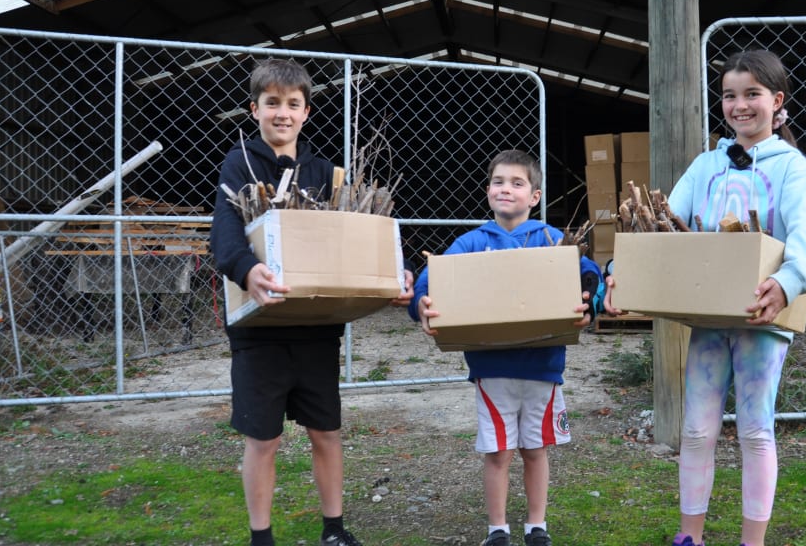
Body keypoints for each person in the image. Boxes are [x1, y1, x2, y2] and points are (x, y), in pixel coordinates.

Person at [605, 50, 806, 546]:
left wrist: (788, 282)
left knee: (754, 432)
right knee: (697, 431)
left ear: (777, 101)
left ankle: (753, 542)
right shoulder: (707, 165)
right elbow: (660, 228)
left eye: (752, 94)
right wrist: (620, 274)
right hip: (707, 319)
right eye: (730, 95)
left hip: (761, 320)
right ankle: (691, 538)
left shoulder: (792, 167)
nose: (740, 105)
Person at [211, 58, 414, 546]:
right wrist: (247, 269)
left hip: (317, 330)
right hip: (259, 332)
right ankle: (262, 536)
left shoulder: (325, 173)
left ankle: (335, 529)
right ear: (254, 109)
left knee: (326, 431)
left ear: (306, 112)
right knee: (264, 439)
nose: (283, 113)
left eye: (293, 105)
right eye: (273, 103)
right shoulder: (240, 164)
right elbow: (224, 235)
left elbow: (354, 240)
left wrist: (390, 274)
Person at [408, 149, 604, 546]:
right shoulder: (470, 243)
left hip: (543, 365)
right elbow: (432, 279)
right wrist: (420, 305)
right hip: (491, 367)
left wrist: (590, 299)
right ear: (487, 191)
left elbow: (588, 272)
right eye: (499, 182)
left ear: (534, 195)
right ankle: (497, 529)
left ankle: (537, 527)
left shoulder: (552, 239)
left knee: (536, 449)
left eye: (517, 183)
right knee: (498, 453)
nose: (506, 190)